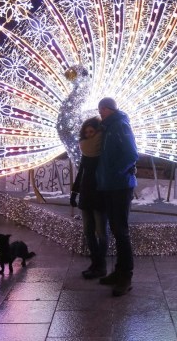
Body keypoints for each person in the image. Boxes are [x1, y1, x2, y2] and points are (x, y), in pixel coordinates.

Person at [95, 97, 139, 297]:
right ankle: (119, 271)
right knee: (115, 228)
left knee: (121, 230)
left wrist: (115, 173)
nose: (100, 113)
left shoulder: (119, 125)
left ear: (107, 109)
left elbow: (131, 155)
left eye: (101, 110)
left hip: (120, 187)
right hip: (111, 185)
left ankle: (126, 276)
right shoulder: (109, 127)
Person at [69, 117, 108, 279]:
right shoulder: (86, 150)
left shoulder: (104, 149)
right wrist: (75, 192)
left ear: (98, 131)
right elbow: (81, 172)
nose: (89, 135)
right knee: (88, 231)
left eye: (92, 132)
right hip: (86, 193)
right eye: (86, 132)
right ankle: (95, 262)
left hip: (99, 193)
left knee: (101, 232)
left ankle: (101, 265)